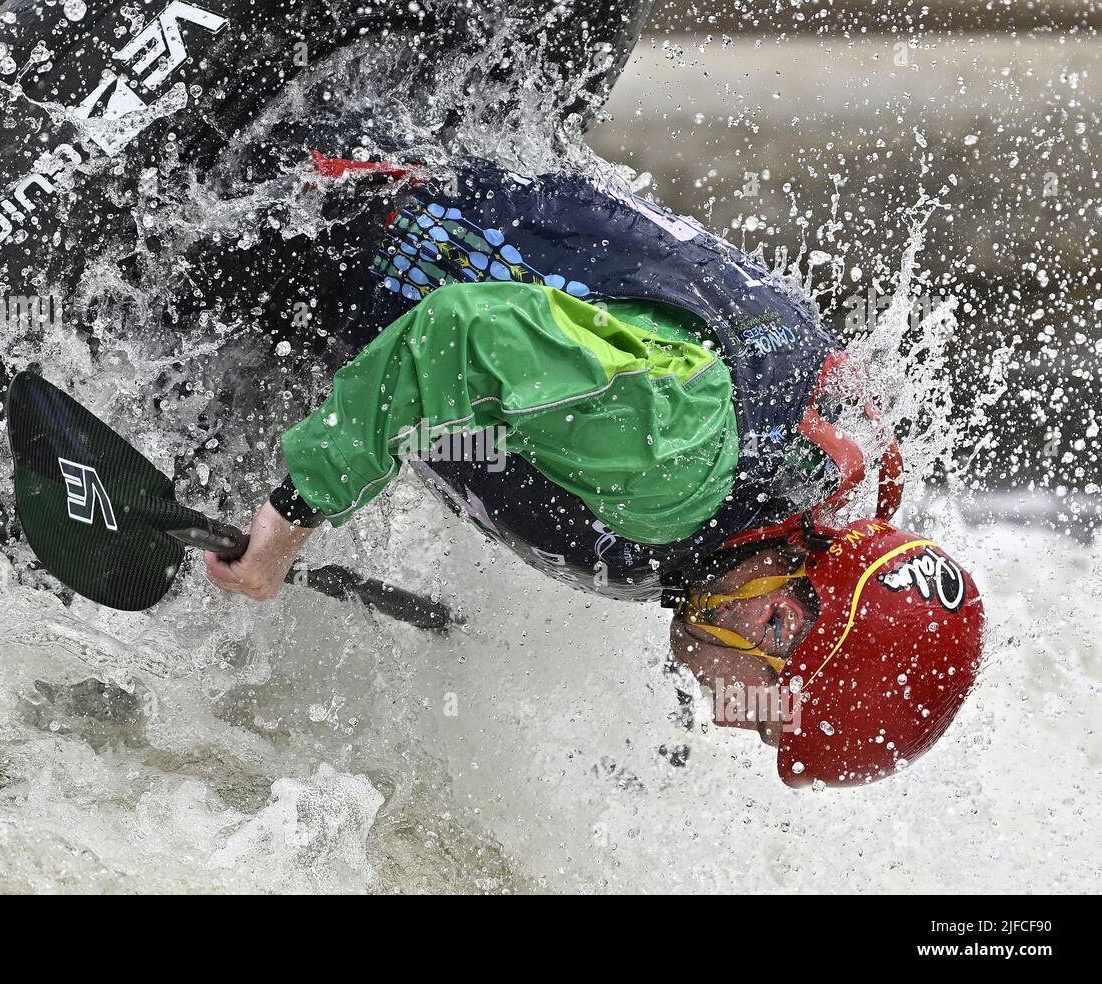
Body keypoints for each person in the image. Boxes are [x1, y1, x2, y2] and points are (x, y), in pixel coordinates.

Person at [203, 154, 986, 788]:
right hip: (287, 221)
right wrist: (293, 514)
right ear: (779, 620)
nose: (727, 719)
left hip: (357, 244)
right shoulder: (679, 475)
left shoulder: (797, 487)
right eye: (766, 713)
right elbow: (462, 334)